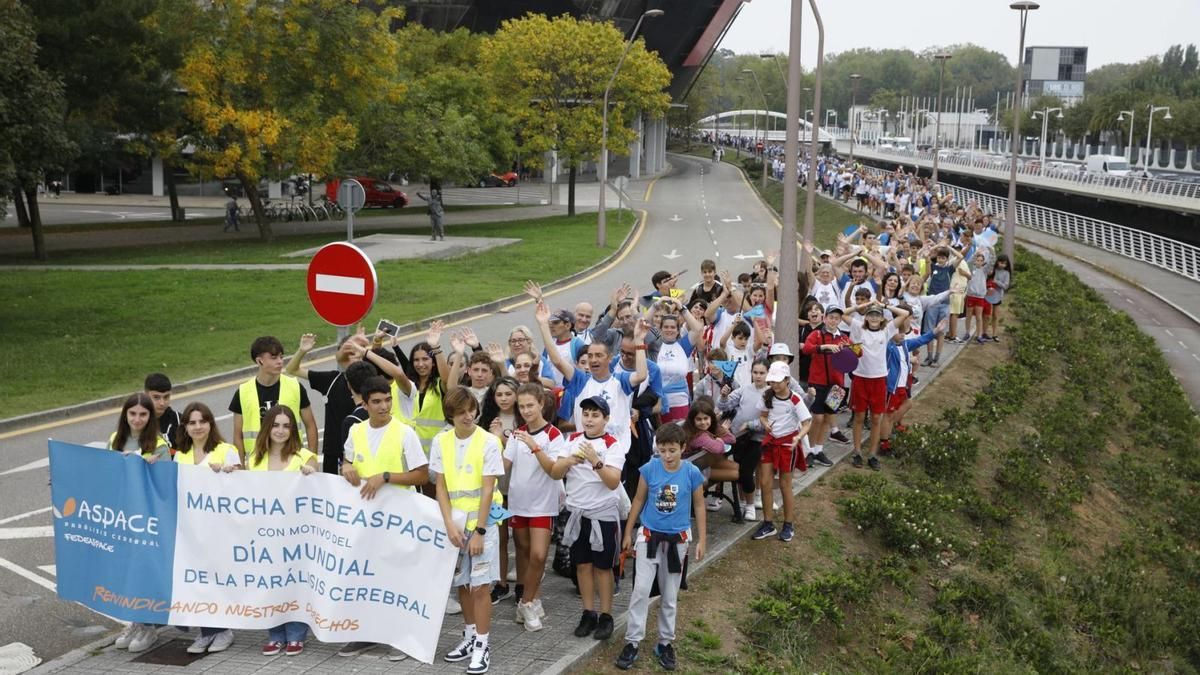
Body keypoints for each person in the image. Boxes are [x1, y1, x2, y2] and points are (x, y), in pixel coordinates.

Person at [336, 377, 429, 661]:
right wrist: (347, 466)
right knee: (365, 576)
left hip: (398, 518)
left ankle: (400, 637)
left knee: (396, 578)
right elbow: (348, 461)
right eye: (376, 402)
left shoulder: (404, 433)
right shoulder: (356, 431)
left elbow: (422, 474)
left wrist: (386, 477)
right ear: (364, 404)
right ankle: (365, 634)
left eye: (387, 400)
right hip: (365, 518)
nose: (384, 406)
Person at [614, 423, 706, 672]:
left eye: (672, 450)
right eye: (662, 450)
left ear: (683, 449)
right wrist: (629, 531)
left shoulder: (691, 472)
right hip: (649, 537)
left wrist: (702, 539)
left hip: (678, 540)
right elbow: (639, 499)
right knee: (641, 590)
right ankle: (632, 641)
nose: (667, 456)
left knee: (669, 594)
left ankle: (665, 642)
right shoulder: (650, 468)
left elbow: (699, 506)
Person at [433, 389, 504, 675]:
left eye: (471, 409)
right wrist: (449, 523)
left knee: (480, 585)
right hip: (456, 524)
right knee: (462, 583)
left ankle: (482, 645)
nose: (467, 415)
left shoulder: (489, 441)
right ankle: (470, 635)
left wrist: (480, 531)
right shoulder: (441, 441)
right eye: (460, 411)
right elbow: (440, 485)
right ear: (450, 415)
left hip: (481, 523)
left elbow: (488, 489)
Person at [552, 396, 625, 641]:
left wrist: (596, 461)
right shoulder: (571, 440)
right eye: (586, 414)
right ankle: (588, 612)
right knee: (582, 565)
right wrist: (569, 460)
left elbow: (613, 481)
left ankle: (606, 615)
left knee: (603, 568)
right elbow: (555, 472)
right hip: (576, 513)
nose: (589, 419)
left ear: (606, 419)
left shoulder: (613, 444)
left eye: (595, 415)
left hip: (602, 514)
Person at [248, 405, 317, 656]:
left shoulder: (304, 457)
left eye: (286, 426)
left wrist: (312, 475)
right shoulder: (254, 458)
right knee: (270, 583)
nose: (280, 430)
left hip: (295, 536)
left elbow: (316, 494)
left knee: (294, 583)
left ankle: (297, 633)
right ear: (268, 427)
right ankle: (275, 634)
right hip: (264, 535)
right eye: (275, 425)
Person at [536, 301, 648, 453]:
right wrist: (543, 325)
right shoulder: (580, 380)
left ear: (609, 358)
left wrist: (640, 342)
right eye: (590, 356)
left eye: (599, 356)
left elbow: (641, 375)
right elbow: (557, 360)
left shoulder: (621, 380)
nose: (593, 360)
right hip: (585, 452)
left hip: (614, 453)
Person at [173, 402, 240, 654]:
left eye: (202, 421)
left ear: (211, 423)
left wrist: (227, 472)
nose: (198, 426)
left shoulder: (225, 450)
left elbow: (245, 487)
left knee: (216, 580)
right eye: (192, 422)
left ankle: (223, 630)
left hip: (218, 530)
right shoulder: (181, 455)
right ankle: (205, 632)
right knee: (196, 582)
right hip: (191, 531)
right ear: (186, 427)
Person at [503, 384, 565, 631]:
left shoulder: (553, 435)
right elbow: (504, 465)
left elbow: (554, 470)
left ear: (541, 404)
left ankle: (527, 603)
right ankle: (531, 600)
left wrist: (534, 445)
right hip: (518, 503)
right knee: (524, 554)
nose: (526, 410)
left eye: (530, 405)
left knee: (539, 555)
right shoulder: (517, 434)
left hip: (543, 504)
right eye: (522, 406)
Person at [285, 331, 369, 474]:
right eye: (352, 352)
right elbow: (292, 369)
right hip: (334, 452)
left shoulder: (372, 380)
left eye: (360, 352)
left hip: (364, 452)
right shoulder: (331, 380)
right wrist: (302, 351)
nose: (357, 357)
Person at [229, 336, 318, 462]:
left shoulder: (294, 386)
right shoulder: (243, 392)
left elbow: (310, 426)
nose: (280, 362)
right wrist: (240, 467)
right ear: (259, 361)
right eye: (274, 357)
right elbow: (238, 436)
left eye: (281, 357)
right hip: (258, 464)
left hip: (292, 461)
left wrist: (311, 459)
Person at [751, 362, 812, 543]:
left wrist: (798, 437)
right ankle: (768, 523)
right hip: (771, 442)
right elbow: (762, 414)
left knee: (786, 484)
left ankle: (788, 524)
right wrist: (765, 423)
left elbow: (807, 422)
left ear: (787, 380)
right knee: (765, 481)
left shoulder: (795, 399)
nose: (775, 385)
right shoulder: (767, 395)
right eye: (772, 381)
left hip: (788, 444)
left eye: (779, 381)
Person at [846, 302, 909, 470]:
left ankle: (872, 454)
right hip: (860, 378)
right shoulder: (860, 328)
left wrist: (885, 305)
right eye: (871, 314)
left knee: (876, 418)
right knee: (859, 417)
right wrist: (863, 305)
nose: (874, 318)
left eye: (877, 315)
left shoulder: (886, 330)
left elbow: (903, 314)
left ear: (882, 318)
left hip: (879, 380)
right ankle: (857, 452)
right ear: (866, 317)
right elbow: (843, 314)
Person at [478, 376, 520, 604]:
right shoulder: (488, 420)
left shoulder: (523, 416)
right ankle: (501, 583)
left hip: (521, 486)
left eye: (508, 394)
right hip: (497, 489)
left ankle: (522, 583)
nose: (504, 398)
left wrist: (501, 440)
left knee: (522, 540)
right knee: (501, 538)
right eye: (499, 394)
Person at [107, 393, 170, 462]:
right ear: (125, 414)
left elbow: (166, 472)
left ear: (150, 417)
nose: (137, 420)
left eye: (143, 414)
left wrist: (138, 462)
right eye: (132, 413)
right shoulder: (113, 438)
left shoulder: (160, 446)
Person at [143, 373, 180, 450]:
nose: (162, 403)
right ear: (145, 395)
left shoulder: (180, 420)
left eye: (166, 397)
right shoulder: (137, 422)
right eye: (156, 397)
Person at [986, 254, 1011, 342]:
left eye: (1004, 263)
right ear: (997, 262)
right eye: (1000, 262)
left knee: (995, 316)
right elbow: (987, 279)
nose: (1002, 265)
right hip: (988, 294)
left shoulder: (1006, 273)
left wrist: (996, 282)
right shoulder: (993, 270)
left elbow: (1005, 286)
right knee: (986, 315)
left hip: (997, 296)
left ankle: (994, 334)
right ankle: (983, 332)